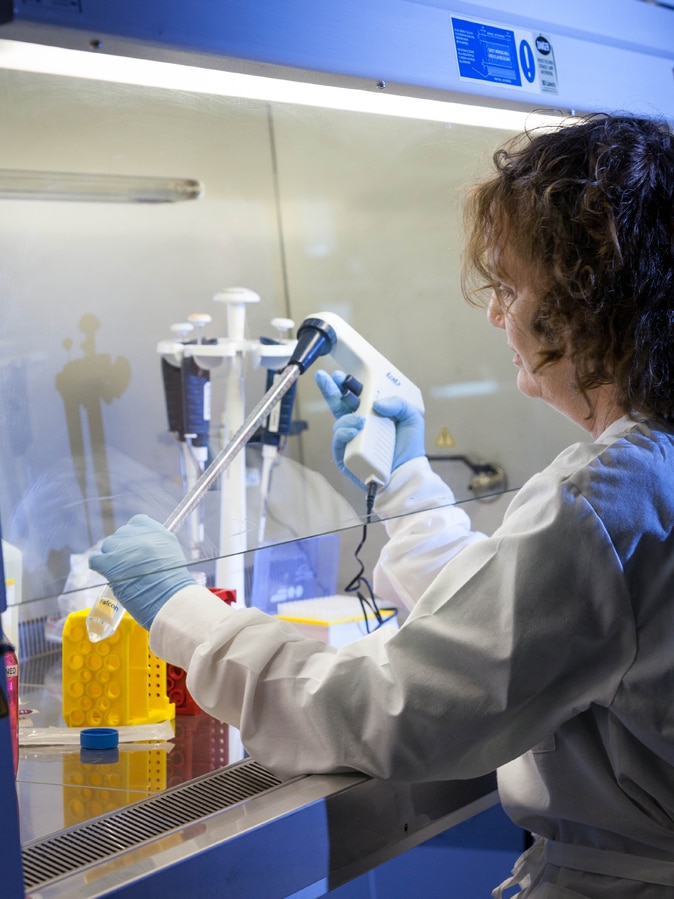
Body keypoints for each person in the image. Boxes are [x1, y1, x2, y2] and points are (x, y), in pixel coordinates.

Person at [89, 113, 674, 897]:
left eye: (510, 287)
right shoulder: (644, 473)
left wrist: (183, 611)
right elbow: (530, 622)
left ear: (586, 300)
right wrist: (406, 486)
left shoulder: (609, 496)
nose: (498, 316)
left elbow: (394, 712)